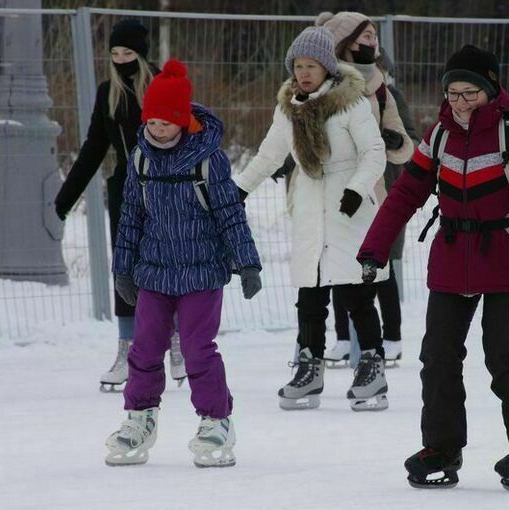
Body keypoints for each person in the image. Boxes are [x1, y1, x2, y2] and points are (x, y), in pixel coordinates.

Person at [358, 45, 509, 490]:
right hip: (452, 258)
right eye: (453, 93)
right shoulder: (439, 136)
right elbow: (406, 193)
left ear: (491, 90)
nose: (461, 103)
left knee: (505, 358)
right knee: (438, 357)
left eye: (470, 92)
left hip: (507, 257)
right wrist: (374, 247)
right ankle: (442, 448)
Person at [104, 59, 263, 467]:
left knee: (197, 350)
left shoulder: (208, 160)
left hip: (201, 274)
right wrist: (122, 267)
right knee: (144, 349)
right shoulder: (141, 160)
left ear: (181, 119)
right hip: (154, 273)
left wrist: (247, 263)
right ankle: (139, 416)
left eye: (165, 122)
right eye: (151, 121)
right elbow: (131, 218)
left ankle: (216, 421)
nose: (156, 129)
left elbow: (230, 213)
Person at [234, 27, 390, 411]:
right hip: (308, 205)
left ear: (326, 68)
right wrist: (237, 190)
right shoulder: (288, 108)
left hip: (347, 208)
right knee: (310, 295)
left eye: (311, 66)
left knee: (356, 295)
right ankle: (309, 367)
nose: (303, 73)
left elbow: (374, 151)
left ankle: (371, 365)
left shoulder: (350, 103)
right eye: (298, 66)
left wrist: (356, 188)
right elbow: (269, 155)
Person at [53, 20, 187, 391]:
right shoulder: (107, 93)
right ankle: (127, 349)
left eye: (128, 53)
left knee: (166, 264)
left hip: (165, 189)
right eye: (114, 53)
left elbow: (190, 135)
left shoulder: (164, 85)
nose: (121, 60)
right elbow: (94, 148)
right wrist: (65, 200)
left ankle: (175, 342)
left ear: (141, 54)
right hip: (125, 192)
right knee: (125, 269)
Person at [316, 12, 415, 366]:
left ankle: (388, 340)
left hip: (376, 192)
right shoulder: (320, 84)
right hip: (333, 192)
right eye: (365, 36)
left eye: (375, 35)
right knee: (340, 269)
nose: (373, 43)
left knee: (378, 267)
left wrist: (394, 142)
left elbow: (408, 143)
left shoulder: (384, 90)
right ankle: (345, 339)